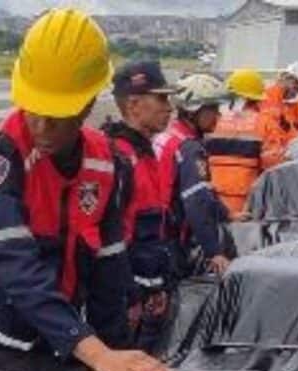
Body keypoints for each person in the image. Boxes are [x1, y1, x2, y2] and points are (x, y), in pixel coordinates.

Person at [0, 9, 169, 371]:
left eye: (58, 115)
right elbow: (15, 265)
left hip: (41, 337)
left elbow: (108, 269)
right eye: (35, 110)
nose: (43, 127)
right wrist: (94, 351)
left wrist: (118, 360)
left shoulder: (110, 165)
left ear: (87, 105)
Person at [103, 60, 178, 354]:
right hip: (125, 300)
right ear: (133, 104)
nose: (169, 107)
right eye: (161, 98)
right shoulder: (117, 157)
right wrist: (132, 295)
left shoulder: (145, 153)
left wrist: (157, 285)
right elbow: (112, 240)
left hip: (147, 293)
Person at [154, 73, 234, 278]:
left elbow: (203, 192)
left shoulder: (169, 135)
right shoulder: (190, 149)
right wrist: (214, 252)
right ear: (194, 111)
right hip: (170, 240)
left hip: (154, 232)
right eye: (213, 109)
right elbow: (196, 201)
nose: (219, 115)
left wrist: (227, 214)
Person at [207, 68, 271, 219]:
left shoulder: (214, 121)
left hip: (213, 200)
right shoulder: (264, 123)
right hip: (247, 202)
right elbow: (272, 166)